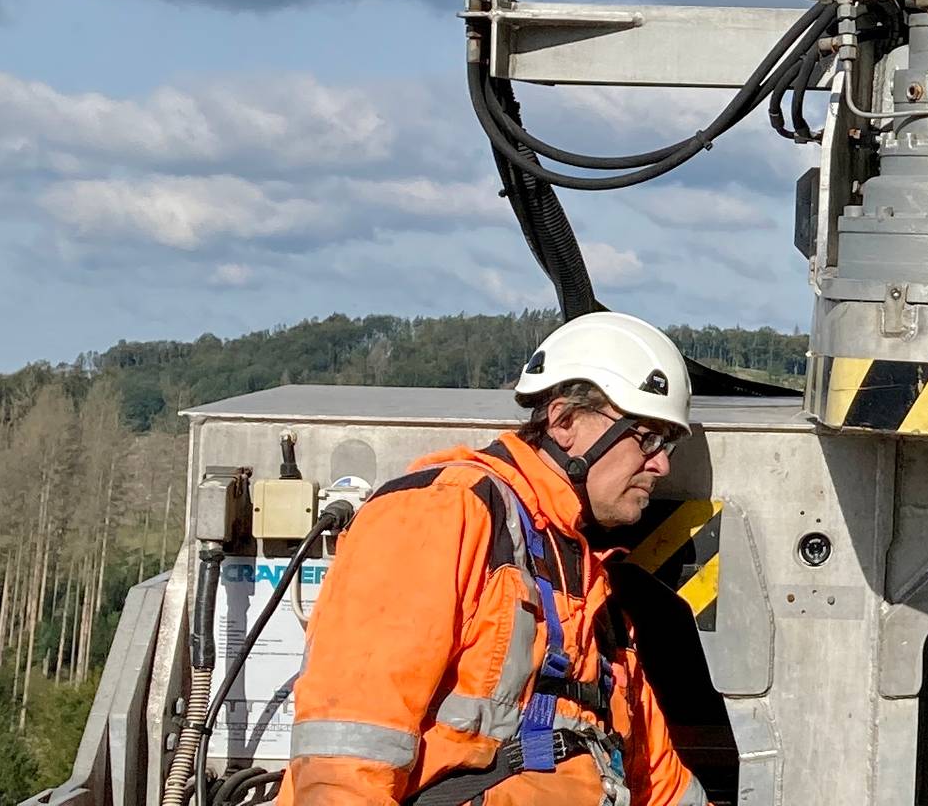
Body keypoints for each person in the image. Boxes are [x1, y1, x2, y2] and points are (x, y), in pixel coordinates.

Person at [286, 311, 707, 806]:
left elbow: (659, 780)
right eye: (647, 437)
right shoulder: (443, 512)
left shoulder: (588, 583)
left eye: (668, 442)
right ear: (565, 421)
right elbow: (349, 753)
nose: (662, 464)